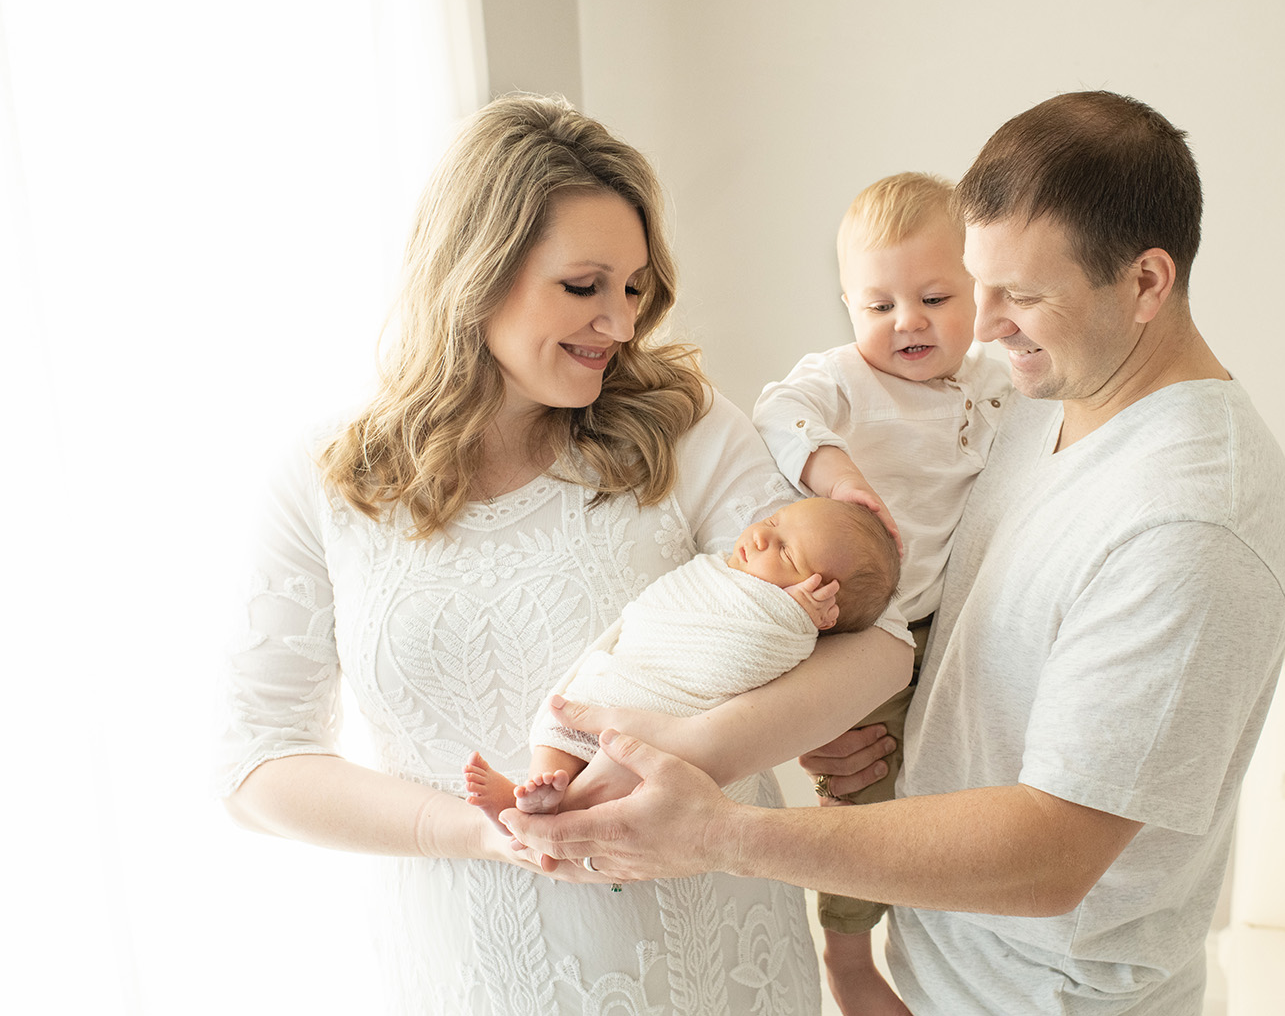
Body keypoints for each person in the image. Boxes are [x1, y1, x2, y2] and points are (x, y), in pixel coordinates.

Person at [497, 90, 1285, 1016]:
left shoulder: (1193, 519)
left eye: (1024, 296)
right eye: (980, 284)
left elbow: (1054, 853)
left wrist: (725, 835)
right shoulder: (1027, 408)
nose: (989, 327)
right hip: (937, 976)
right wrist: (862, 724)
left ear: (1148, 282)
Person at [216, 93, 912, 1016]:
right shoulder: (326, 482)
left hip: (709, 958)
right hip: (467, 967)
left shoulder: (685, 431)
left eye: (633, 289)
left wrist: (692, 753)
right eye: (584, 287)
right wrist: (475, 831)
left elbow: (879, 642)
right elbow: (257, 765)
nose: (620, 326)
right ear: (477, 274)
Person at [751, 171, 1011, 1012]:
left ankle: (951, 954)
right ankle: (850, 959)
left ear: (978, 289)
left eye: (935, 297)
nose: (907, 322)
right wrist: (838, 471)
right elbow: (778, 408)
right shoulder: (844, 381)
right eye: (878, 306)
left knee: (953, 796)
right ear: (847, 306)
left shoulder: (995, 382)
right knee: (864, 797)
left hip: (955, 628)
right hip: (870, 626)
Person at [465, 496, 900, 818]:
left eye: (786, 553)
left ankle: (550, 808)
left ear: (823, 604)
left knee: (608, 749)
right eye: (773, 520)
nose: (763, 536)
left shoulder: (784, 625)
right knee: (563, 722)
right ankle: (541, 784)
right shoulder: (715, 572)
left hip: (663, 703)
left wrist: (793, 618)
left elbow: (746, 653)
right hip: (627, 673)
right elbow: (656, 613)